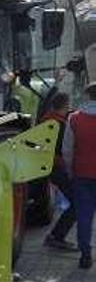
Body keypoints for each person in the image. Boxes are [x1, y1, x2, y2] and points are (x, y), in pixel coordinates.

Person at [63, 82, 96, 269]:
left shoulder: (74, 119)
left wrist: (69, 170)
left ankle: (85, 255)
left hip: (82, 174)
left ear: (87, 96)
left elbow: (67, 150)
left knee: (84, 216)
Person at [41, 92, 77, 250]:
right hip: (58, 167)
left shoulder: (48, 119)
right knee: (77, 203)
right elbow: (64, 149)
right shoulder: (58, 124)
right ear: (65, 104)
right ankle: (56, 237)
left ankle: (56, 236)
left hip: (53, 167)